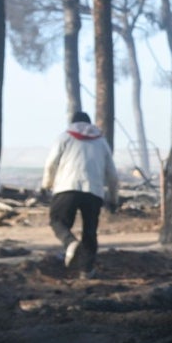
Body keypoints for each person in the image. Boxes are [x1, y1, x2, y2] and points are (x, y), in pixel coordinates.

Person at [41, 110, 119, 277]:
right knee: (90, 232)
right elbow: (112, 174)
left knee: (58, 221)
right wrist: (113, 199)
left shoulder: (65, 137)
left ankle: (70, 244)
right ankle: (87, 270)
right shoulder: (101, 142)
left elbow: (51, 163)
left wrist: (46, 184)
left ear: (72, 123)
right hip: (94, 192)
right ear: (90, 124)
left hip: (66, 187)